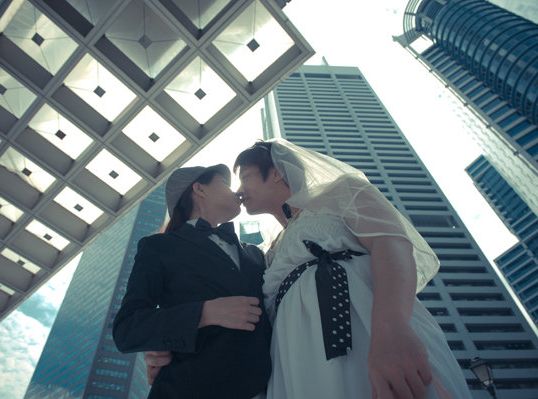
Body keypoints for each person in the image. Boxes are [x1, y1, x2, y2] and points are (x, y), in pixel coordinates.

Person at [231, 139, 472, 399]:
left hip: (368, 329)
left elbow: (390, 245)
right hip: (296, 360)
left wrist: (391, 329)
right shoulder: (270, 250)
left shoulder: (340, 193)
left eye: (245, 177)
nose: (239, 190)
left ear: (276, 172)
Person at [113, 164, 272, 399]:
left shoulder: (256, 254)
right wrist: (205, 313)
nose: (237, 191)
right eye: (225, 183)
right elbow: (127, 329)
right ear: (199, 188)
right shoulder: (158, 247)